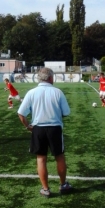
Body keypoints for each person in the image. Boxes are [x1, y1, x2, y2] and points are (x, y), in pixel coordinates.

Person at [17, 67, 72, 197]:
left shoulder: (31, 92)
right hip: (54, 128)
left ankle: (45, 189)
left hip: (38, 128)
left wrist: (27, 126)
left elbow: (21, 113)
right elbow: (66, 112)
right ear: (51, 78)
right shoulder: (58, 92)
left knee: (41, 158)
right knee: (59, 156)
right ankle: (63, 184)